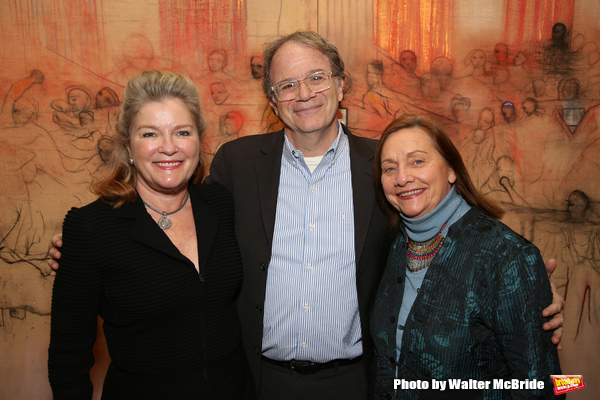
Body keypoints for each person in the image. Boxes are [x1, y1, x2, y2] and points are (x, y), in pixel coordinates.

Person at [49, 32, 565, 400]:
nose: (304, 94)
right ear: (273, 100)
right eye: (287, 85)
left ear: (342, 84)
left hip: (359, 382)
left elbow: (450, 240)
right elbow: (162, 226)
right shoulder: (235, 165)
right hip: (255, 380)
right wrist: (78, 251)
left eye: (316, 77)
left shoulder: (381, 169)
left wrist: (520, 290)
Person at [47, 70, 254, 400]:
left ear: (199, 140)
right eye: (150, 134)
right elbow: (68, 358)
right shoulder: (91, 228)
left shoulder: (220, 204)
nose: (169, 148)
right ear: (128, 145)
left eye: (182, 132)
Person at [370, 115, 563, 399]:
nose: (402, 178)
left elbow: (548, 387)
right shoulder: (396, 245)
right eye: (390, 168)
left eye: (418, 161)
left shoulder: (506, 256)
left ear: (451, 170)